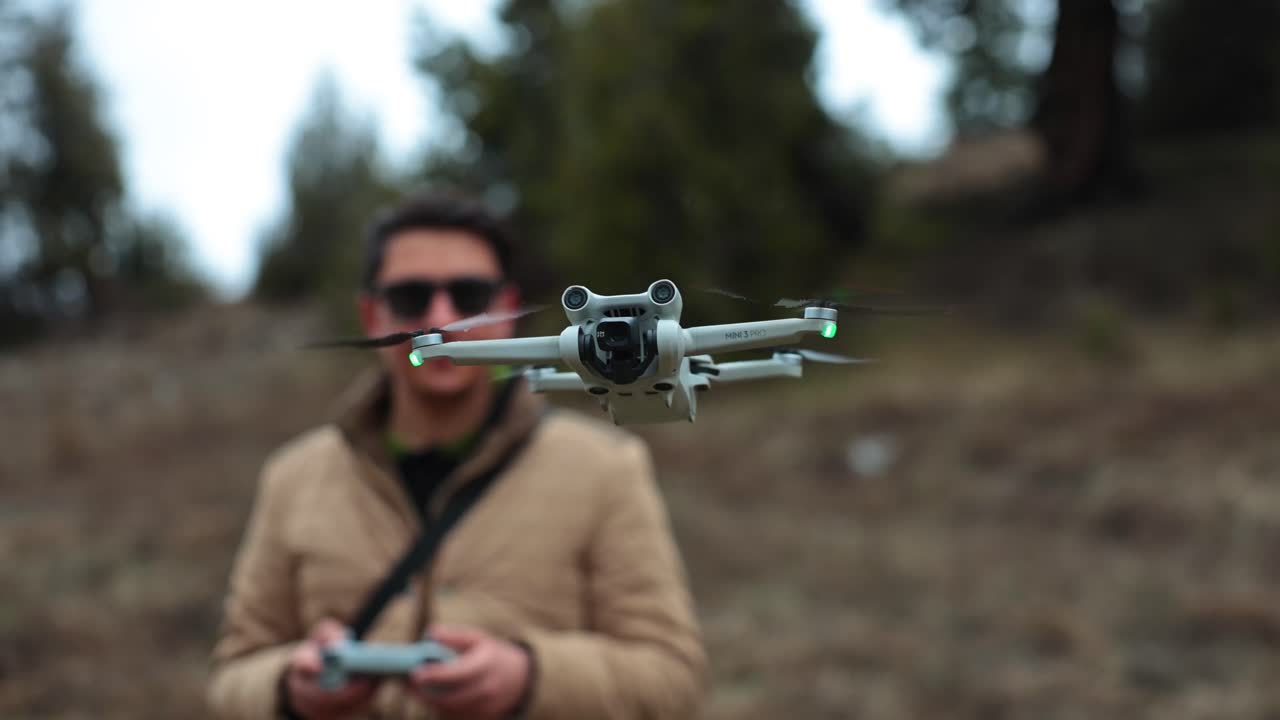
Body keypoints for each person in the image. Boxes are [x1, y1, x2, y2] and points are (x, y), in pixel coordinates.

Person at [207, 191, 706, 719]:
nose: (440, 318)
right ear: (371, 314)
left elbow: (673, 679)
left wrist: (530, 676)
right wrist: (289, 685)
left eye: (470, 295)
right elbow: (232, 675)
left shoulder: (606, 468)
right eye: (410, 297)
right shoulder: (293, 478)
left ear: (509, 307)